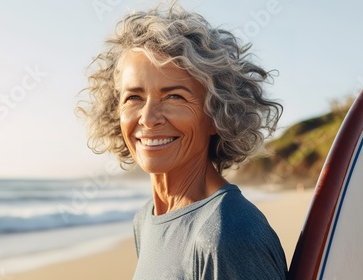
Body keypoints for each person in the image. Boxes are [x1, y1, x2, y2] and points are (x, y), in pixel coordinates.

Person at [77, 2, 287, 279]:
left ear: (217, 114)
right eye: (134, 97)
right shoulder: (146, 219)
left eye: (174, 96)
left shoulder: (228, 235)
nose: (149, 118)